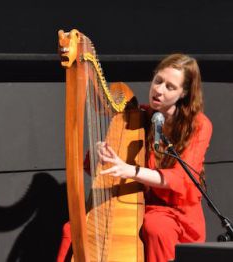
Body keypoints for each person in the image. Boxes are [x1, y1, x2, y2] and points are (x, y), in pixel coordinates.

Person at [57, 54, 212, 262]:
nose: (159, 90)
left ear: (184, 93)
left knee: (155, 226)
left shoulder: (198, 125)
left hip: (176, 214)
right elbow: (99, 170)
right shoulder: (137, 118)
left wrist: (131, 171)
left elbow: (180, 179)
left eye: (170, 87)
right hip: (136, 206)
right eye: (158, 81)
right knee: (73, 229)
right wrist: (99, 153)